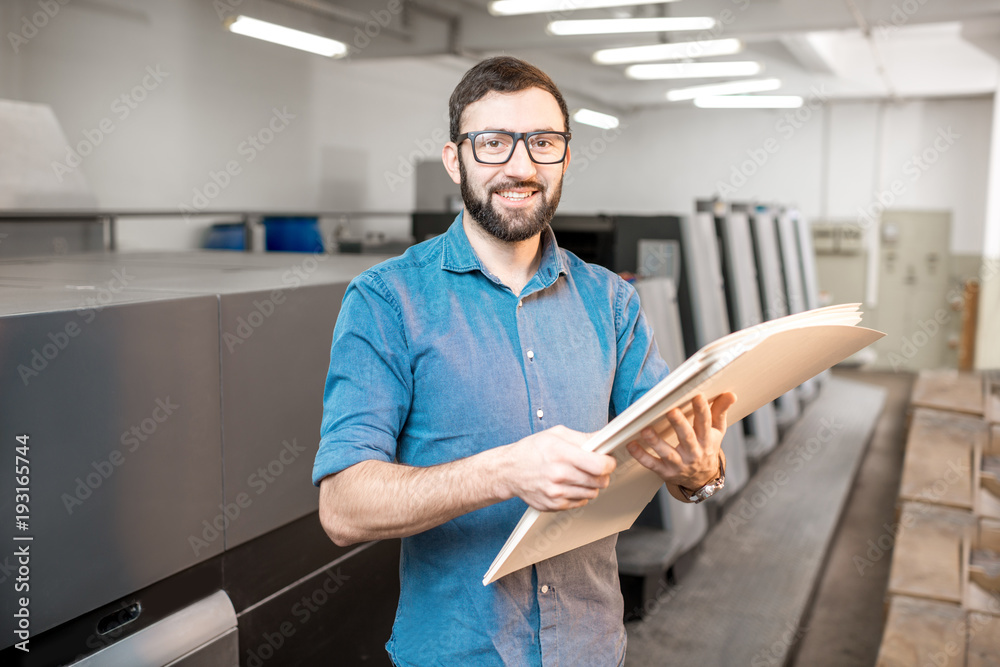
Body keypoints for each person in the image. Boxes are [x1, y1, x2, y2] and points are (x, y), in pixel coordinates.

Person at [312, 56, 735, 667]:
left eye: (543, 142)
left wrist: (701, 470)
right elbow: (343, 507)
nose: (520, 166)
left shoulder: (611, 302)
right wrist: (504, 472)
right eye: (492, 143)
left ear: (565, 156)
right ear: (455, 159)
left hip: (593, 651)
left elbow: (674, 458)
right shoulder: (387, 301)